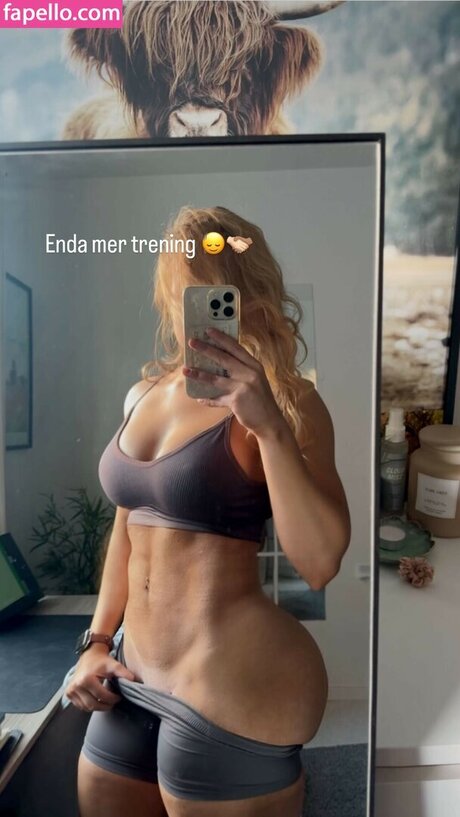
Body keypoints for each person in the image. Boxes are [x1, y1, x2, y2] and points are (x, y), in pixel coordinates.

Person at [65, 206, 351, 817]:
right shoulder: (142, 395)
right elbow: (127, 529)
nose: (191, 299)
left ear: (248, 292)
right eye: (181, 283)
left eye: (211, 285)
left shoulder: (291, 403)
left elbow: (320, 563)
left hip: (230, 683)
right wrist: (96, 641)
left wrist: (269, 427)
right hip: (131, 676)